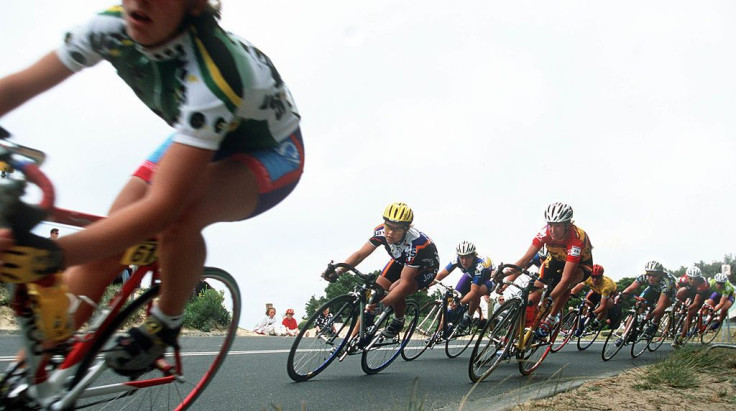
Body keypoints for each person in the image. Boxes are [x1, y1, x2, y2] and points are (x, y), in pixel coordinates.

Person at [0, 1, 303, 375]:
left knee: (177, 218)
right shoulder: (110, 25)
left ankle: (165, 321)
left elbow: (162, 206)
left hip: (270, 151)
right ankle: (31, 369)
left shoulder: (214, 71)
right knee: (111, 233)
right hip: (205, 130)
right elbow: (20, 83)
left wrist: (52, 256)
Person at [322, 202, 440, 339]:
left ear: (406, 229)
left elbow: (405, 284)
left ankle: (399, 320)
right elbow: (360, 254)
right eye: (388, 226)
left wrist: (382, 305)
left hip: (425, 268)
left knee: (395, 288)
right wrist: (338, 271)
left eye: (396, 230)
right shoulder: (380, 231)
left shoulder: (417, 244)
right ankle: (353, 340)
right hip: (401, 260)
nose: (390, 233)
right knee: (375, 293)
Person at [502, 202, 593, 337]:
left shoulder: (576, 240)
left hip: (580, 265)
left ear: (567, 225)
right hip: (556, 260)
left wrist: (550, 298)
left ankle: (552, 318)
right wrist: (502, 274)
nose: (553, 230)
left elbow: (565, 279)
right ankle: (512, 338)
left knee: (567, 284)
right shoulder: (545, 232)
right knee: (533, 294)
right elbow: (525, 259)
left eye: (558, 225)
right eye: (550, 224)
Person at [433, 241, 493, 334]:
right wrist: (427, 284)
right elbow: (441, 275)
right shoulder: (457, 260)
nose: (464, 261)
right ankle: (437, 333)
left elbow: (473, 292)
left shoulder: (479, 265)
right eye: (462, 257)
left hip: (487, 278)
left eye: (467, 257)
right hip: (470, 275)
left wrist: (460, 302)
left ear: (473, 256)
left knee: (476, 294)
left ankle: (469, 316)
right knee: (454, 298)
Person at [619, 260, 676, 341]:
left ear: (660, 274)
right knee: (639, 304)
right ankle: (625, 335)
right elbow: (630, 288)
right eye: (648, 274)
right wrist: (621, 296)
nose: (651, 277)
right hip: (654, 289)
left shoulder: (666, 283)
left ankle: (654, 323)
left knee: (659, 309)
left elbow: (660, 306)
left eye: (654, 275)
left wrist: (652, 315)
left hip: (668, 293)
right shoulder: (644, 277)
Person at [569, 264, 619, 335]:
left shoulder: (606, 285)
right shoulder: (589, 278)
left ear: (601, 276)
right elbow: (576, 289)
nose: (595, 279)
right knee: (585, 303)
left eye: (598, 277)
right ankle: (582, 320)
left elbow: (603, 305)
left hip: (609, 294)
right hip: (596, 291)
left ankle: (597, 321)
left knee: (606, 306)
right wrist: (570, 294)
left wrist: (593, 313)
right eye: (593, 277)